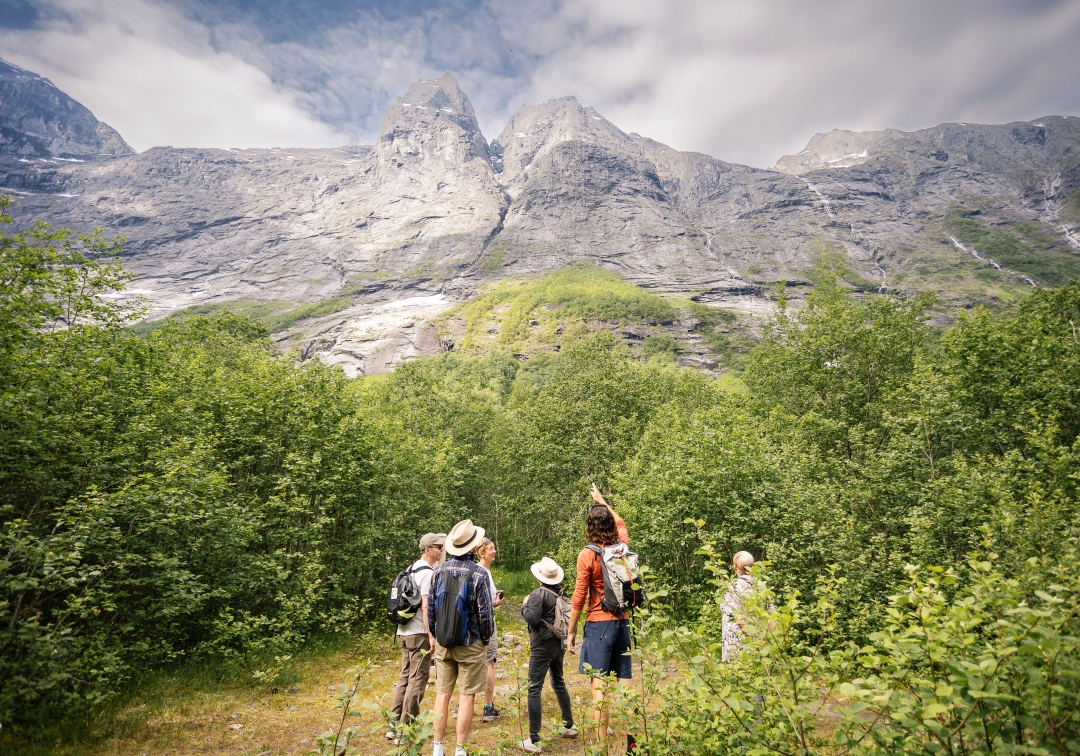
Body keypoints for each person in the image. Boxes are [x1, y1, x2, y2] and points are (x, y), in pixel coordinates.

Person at [566, 483, 635, 751]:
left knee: (599, 687)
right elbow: (621, 521)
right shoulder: (622, 547)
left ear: (589, 527)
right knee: (626, 685)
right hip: (623, 622)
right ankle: (632, 746)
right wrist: (602, 499)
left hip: (598, 625)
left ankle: (601, 747)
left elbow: (579, 596)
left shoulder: (587, 554)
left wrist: (571, 632)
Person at [427, 520, 495, 756]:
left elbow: (430, 610)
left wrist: (436, 634)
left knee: (442, 694)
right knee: (467, 696)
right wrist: (485, 640)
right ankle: (460, 749)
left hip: (444, 643)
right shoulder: (479, 574)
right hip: (470, 643)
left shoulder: (437, 571)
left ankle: (437, 747)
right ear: (473, 546)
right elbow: (485, 613)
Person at [387, 532, 445, 741]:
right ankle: (406, 729)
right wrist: (432, 635)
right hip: (419, 633)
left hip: (403, 632)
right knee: (417, 680)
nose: (441, 550)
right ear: (428, 550)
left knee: (404, 677)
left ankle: (392, 724)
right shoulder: (428, 574)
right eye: (438, 547)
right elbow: (427, 606)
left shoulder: (410, 569)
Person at [519, 557, 577, 753]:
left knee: (534, 688)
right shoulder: (562, 593)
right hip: (559, 642)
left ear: (540, 577)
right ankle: (569, 725)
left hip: (542, 643)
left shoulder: (537, 594)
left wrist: (524, 605)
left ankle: (534, 739)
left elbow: (532, 619)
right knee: (558, 681)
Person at [476, 537, 504, 722]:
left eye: (494, 548)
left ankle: (461, 705)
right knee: (488, 663)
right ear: (481, 552)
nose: (494, 551)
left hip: (474, 624)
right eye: (490, 548)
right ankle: (488, 706)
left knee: (471, 663)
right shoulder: (483, 572)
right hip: (486, 624)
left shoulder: (479, 571)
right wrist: (496, 602)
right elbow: (485, 604)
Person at [721, 551, 756, 662]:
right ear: (753, 566)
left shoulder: (734, 587)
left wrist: (752, 640)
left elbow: (739, 618)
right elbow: (772, 614)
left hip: (738, 644)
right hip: (760, 639)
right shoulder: (761, 586)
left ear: (735, 566)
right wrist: (767, 641)